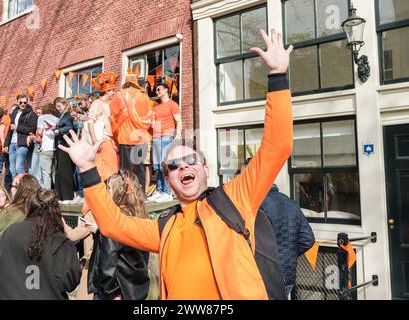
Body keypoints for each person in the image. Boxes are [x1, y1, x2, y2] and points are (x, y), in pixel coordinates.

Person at [60, 29, 293, 299]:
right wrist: (88, 169)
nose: (183, 167)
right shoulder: (165, 226)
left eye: (190, 160)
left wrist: (277, 76)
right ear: (168, 181)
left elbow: (277, 146)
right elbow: (114, 225)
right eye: (173, 166)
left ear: (205, 169)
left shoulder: (235, 198)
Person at [0, 189, 81, 300]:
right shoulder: (59, 240)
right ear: (56, 211)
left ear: (30, 208)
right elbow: (68, 281)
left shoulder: (11, 231)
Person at [86, 170, 150, 300]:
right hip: (133, 288)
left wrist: (112, 292)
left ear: (119, 190)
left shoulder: (114, 221)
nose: (106, 192)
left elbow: (108, 260)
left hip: (113, 291)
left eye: (109, 188)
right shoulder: (139, 216)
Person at [259, 183, 315, 299]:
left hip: (267, 275)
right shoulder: (292, 203)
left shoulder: (259, 205)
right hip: (288, 275)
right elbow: (308, 240)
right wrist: (290, 253)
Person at [110, 68, 152, 191]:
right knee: (139, 168)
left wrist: (115, 135)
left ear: (125, 81)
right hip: (139, 138)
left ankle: (127, 193)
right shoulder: (144, 96)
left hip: (124, 137)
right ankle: (141, 194)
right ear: (136, 82)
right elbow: (148, 117)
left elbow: (113, 117)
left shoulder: (119, 96)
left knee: (125, 169)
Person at [148, 83, 182, 203]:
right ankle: (160, 190)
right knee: (157, 166)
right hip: (157, 137)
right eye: (156, 90)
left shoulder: (173, 104)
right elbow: (153, 123)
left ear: (166, 90)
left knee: (165, 165)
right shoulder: (156, 107)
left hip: (167, 137)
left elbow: (178, 121)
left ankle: (167, 192)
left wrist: (178, 135)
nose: (157, 92)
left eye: (159, 89)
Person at [87, 72, 119, 182]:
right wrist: (95, 141)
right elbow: (90, 122)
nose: (115, 93)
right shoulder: (97, 103)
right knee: (104, 169)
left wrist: (113, 141)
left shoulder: (109, 104)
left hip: (108, 140)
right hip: (101, 140)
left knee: (113, 167)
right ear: (107, 91)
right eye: (113, 90)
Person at [4, 95, 38, 181]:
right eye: (21, 102)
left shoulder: (31, 114)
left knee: (19, 168)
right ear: (17, 102)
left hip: (22, 143)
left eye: (25, 102)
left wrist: (17, 128)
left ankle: (21, 190)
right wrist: (6, 143)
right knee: (12, 170)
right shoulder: (14, 113)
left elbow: (32, 129)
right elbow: (10, 129)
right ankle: (15, 189)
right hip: (12, 143)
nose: (23, 104)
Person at [54, 99, 76, 202]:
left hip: (66, 144)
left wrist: (59, 130)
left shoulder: (68, 115)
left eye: (59, 106)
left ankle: (67, 196)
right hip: (60, 144)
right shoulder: (63, 115)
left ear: (64, 104)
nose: (57, 109)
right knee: (59, 171)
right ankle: (59, 195)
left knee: (65, 170)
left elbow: (69, 127)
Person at [36, 103, 59, 190]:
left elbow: (40, 132)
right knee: (54, 172)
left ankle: (48, 194)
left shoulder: (41, 118)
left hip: (45, 147)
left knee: (46, 173)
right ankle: (57, 192)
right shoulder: (57, 119)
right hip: (55, 148)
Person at [28, 107, 43, 184]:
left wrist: (35, 138)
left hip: (41, 147)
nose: (38, 115)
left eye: (39, 113)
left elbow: (43, 139)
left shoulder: (44, 123)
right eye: (37, 113)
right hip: (35, 146)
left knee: (38, 171)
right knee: (33, 169)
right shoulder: (37, 124)